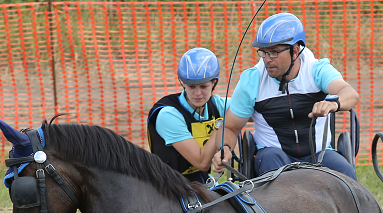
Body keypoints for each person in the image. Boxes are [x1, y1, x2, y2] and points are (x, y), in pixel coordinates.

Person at [211, 12, 360, 180]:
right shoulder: (252, 80)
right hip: (271, 155)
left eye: (274, 52)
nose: (267, 59)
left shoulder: (317, 69)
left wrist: (334, 104)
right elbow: (230, 127)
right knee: (274, 166)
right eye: (263, 52)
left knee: (346, 175)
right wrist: (224, 148)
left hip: (319, 154)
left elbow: (350, 94)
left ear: (295, 51)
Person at [148, 47, 229, 183]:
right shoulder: (168, 115)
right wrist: (220, 126)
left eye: (203, 87)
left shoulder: (216, 103)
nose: (197, 94)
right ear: (183, 83)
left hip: (200, 183)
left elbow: (248, 111)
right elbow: (202, 162)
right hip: (168, 188)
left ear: (213, 83)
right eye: (191, 87)